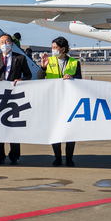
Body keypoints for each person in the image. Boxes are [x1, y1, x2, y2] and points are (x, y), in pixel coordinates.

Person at [0, 34, 33, 164]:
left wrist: (21, 80)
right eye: (2, 42)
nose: (4, 44)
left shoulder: (20, 58)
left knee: (13, 127)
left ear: (12, 44)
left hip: (14, 97)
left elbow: (28, 75)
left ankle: (14, 156)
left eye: (7, 41)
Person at [37, 37, 81, 167]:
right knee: (55, 130)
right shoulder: (49, 61)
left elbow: (80, 80)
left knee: (70, 131)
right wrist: (43, 67)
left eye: (56, 48)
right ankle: (57, 157)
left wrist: (72, 77)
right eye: (53, 48)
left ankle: (69, 157)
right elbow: (39, 77)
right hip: (53, 100)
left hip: (69, 100)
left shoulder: (74, 62)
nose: (53, 50)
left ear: (63, 49)